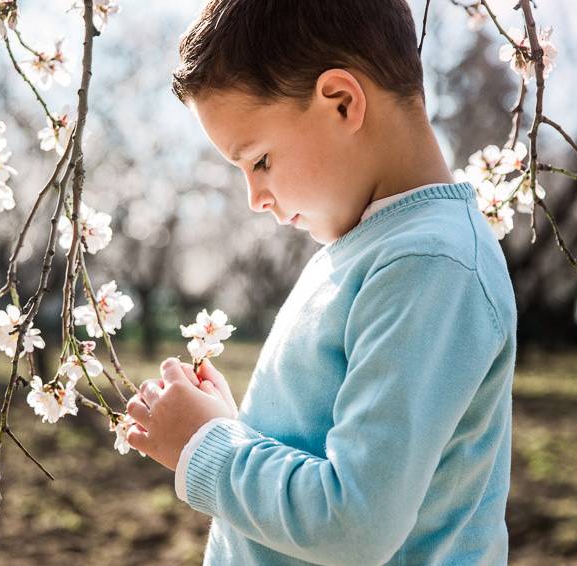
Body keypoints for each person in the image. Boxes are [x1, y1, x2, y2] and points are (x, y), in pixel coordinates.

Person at [124, 1, 518, 564]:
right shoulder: (369, 247)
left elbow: (354, 521)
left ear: (342, 102)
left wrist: (204, 446)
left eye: (259, 161)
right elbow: (325, 448)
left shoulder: (430, 264)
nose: (255, 198)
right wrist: (235, 429)